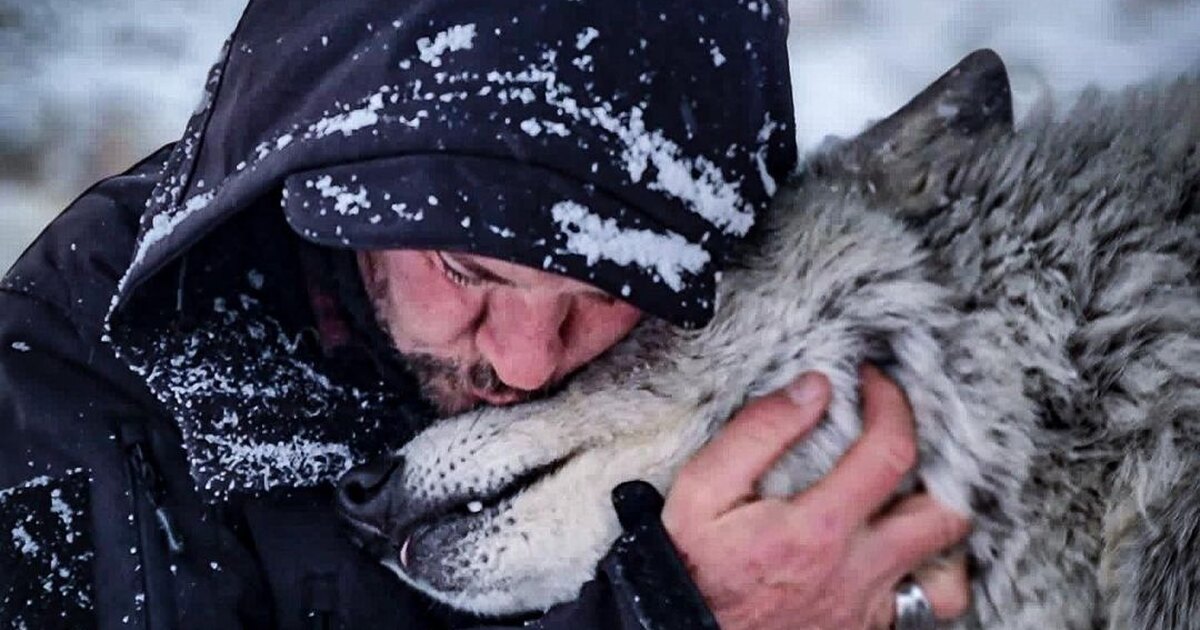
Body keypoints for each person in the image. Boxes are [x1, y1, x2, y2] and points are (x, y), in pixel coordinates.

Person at [0, 0, 971, 628]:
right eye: (470, 271)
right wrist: (665, 616)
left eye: (606, 292)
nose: (529, 362)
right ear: (327, 188)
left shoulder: (708, 342)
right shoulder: (61, 407)